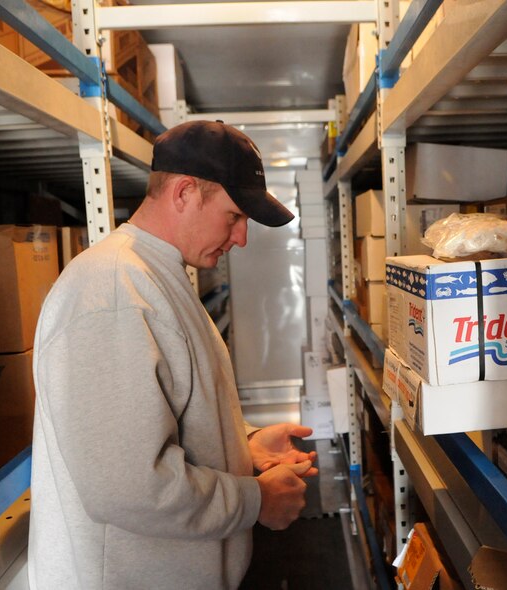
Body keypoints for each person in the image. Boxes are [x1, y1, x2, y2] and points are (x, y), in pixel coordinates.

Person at [28, 120, 318, 590]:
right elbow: (127, 487)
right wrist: (254, 501)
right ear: (184, 192)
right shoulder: (113, 292)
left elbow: (168, 412)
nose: (241, 238)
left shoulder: (156, 277)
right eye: (234, 216)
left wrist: (243, 444)